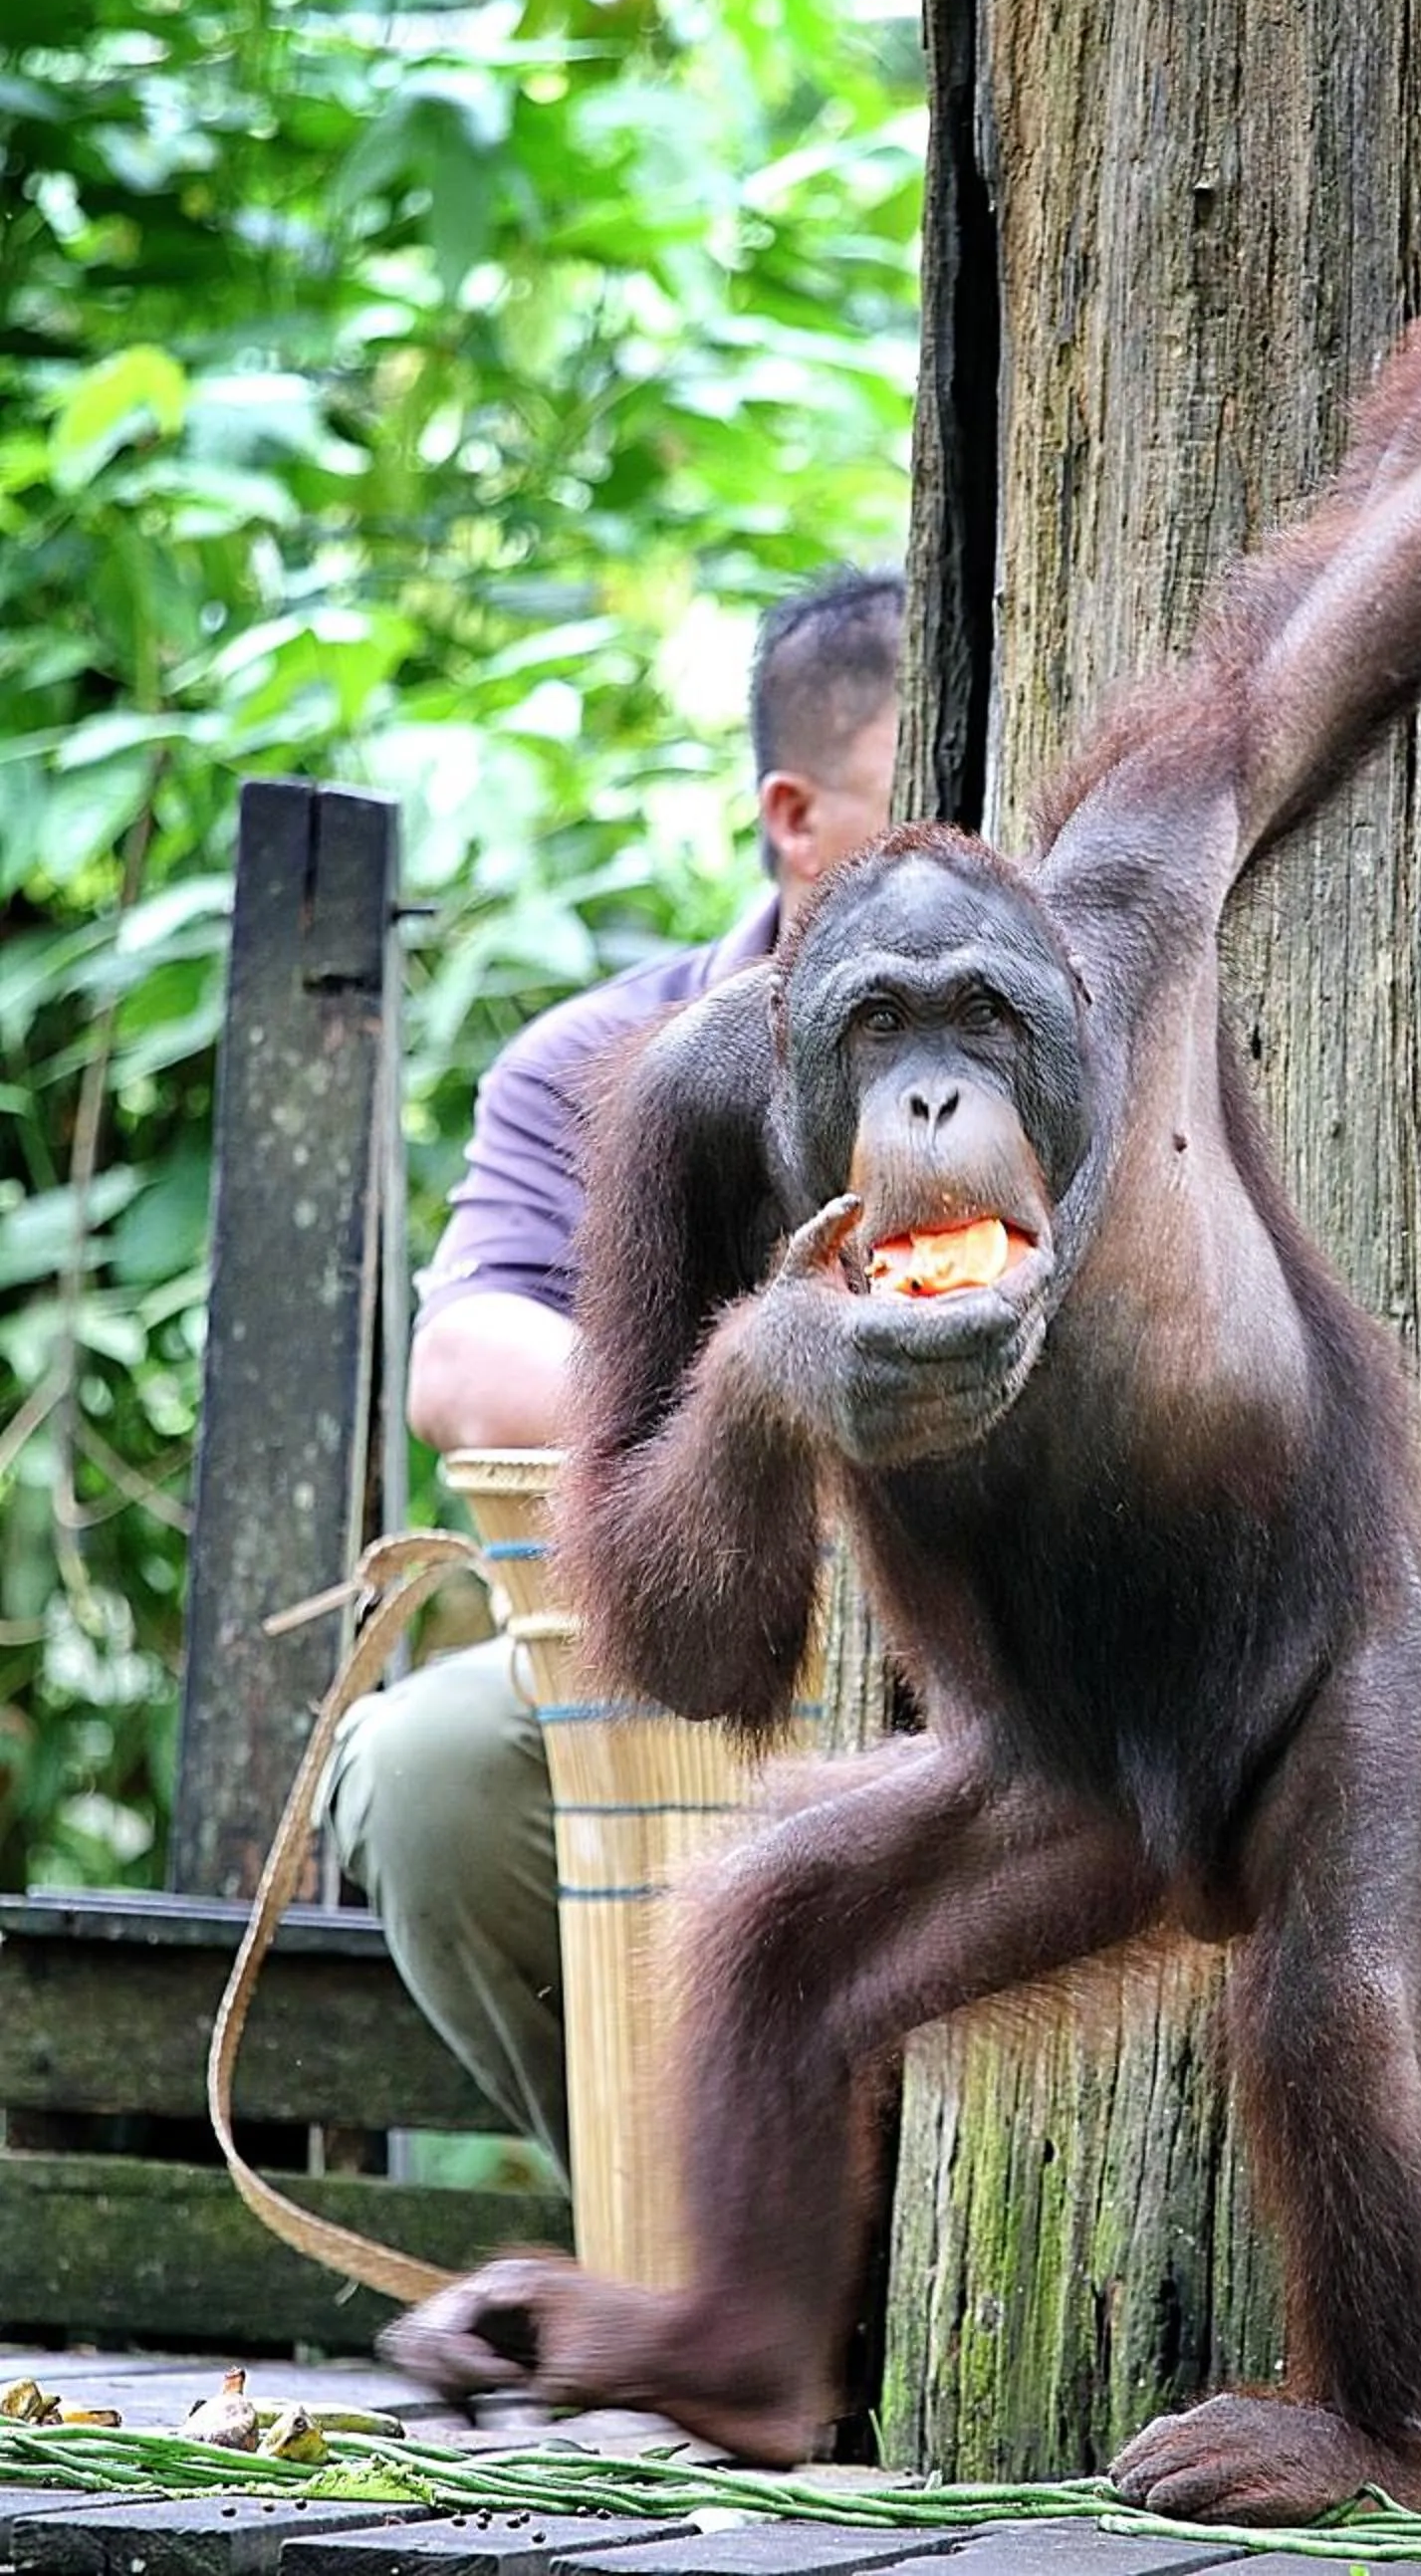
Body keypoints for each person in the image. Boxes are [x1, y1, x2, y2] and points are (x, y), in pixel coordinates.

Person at [324, 570, 903, 2177]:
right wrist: (762, 1413)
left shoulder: (1053, 1032)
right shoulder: (604, 1059)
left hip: (987, 1705)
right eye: (915, 801)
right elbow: (469, 1359)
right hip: (690, 1682)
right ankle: (692, 2234)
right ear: (794, 816)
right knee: (432, 1768)